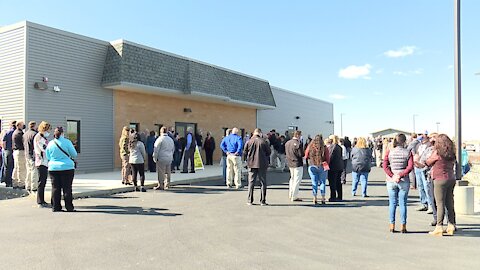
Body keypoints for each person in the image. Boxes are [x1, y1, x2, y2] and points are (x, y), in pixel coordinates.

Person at [426, 134, 457, 236]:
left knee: (440, 204)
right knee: (449, 202)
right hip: (451, 178)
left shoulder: (437, 153)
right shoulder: (451, 153)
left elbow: (428, 162)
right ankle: (451, 225)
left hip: (439, 179)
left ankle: (439, 227)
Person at [383, 134, 414, 233]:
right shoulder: (408, 152)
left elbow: (385, 166)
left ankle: (392, 226)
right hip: (403, 180)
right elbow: (410, 167)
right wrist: (400, 175)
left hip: (391, 180)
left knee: (392, 203)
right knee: (402, 203)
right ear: (404, 141)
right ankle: (403, 226)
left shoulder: (389, 152)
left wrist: (392, 175)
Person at [46, 127, 78, 212]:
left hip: (53, 167)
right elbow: (74, 154)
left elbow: (48, 156)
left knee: (55, 188)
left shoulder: (50, 143)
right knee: (67, 188)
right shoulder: (67, 142)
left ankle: (56, 207)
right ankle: (69, 207)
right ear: (62, 133)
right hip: (67, 167)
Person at [243, 128, 271, 206]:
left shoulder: (249, 141)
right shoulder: (263, 141)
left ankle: (250, 200)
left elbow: (245, 152)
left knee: (251, 182)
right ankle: (262, 200)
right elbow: (269, 152)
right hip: (262, 164)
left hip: (251, 164)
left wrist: (246, 160)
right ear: (260, 133)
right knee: (263, 183)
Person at [305, 134, 330, 204]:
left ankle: (314, 197)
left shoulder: (310, 147)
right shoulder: (324, 147)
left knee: (314, 182)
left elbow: (306, 155)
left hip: (312, 165)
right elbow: (328, 158)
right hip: (322, 165)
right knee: (322, 182)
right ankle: (323, 198)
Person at [33, 121, 51, 207]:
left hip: (43, 161)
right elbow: (45, 149)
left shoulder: (41, 137)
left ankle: (42, 200)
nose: (49, 132)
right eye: (48, 130)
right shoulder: (39, 138)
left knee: (43, 181)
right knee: (41, 182)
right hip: (41, 162)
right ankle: (40, 201)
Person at [285, 130, 304, 201]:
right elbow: (301, 154)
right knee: (297, 180)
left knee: (292, 179)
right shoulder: (298, 143)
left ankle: (290, 193)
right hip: (297, 163)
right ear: (298, 135)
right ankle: (294, 196)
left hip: (290, 163)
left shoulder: (287, 143)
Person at [327, 135, 344, 202]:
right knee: (338, 182)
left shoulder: (332, 147)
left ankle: (333, 196)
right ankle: (340, 196)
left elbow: (330, 157)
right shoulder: (339, 147)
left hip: (333, 167)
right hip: (339, 166)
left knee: (332, 182)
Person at [23, 121, 38, 194]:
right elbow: (35, 146)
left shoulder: (25, 134)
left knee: (28, 171)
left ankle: (27, 186)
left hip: (26, 154)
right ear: (34, 126)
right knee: (34, 171)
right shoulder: (35, 134)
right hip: (32, 155)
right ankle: (34, 187)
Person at [1, 121, 16, 187]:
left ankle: (7, 182)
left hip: (7, 150)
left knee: (7, 167)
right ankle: (12, 181)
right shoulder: (16, 132)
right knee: (13, 166)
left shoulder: (7, 132)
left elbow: (4, 142)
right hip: (14, 151)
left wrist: (5, 149)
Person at [12, 121, 27, 189]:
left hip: (15, 151)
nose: (24, 125)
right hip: (20, 151)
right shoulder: (20, 133)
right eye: (22, 124)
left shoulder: (14, 132)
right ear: (19, 125)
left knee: (16, 167)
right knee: (21, 168)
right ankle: (21, 183)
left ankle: (14, 182)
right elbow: (23, 143)